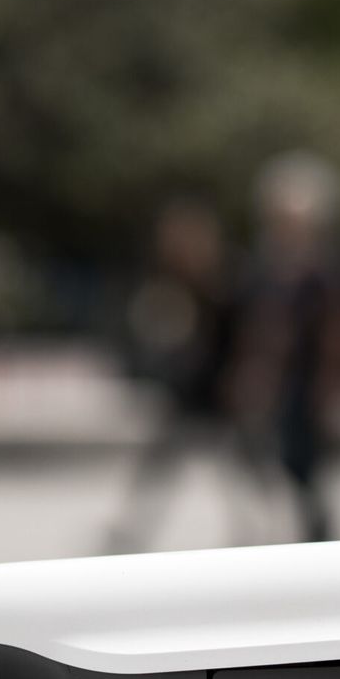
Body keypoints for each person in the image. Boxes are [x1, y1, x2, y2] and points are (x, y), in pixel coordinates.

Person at [233, 152, 340, 542]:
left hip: (311, 385)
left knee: (307, 470)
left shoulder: (333, 271)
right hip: (278, 383)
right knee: (256, 462)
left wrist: (338, 387)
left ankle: (318, 544)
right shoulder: (266, 267)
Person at [106, 198, 259, 552]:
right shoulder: (177, 282)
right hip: (190, 391)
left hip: (221, 391)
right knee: (163, 464)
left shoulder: (227, 282)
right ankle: (134, 529)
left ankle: (255, 529)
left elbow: (245, 337)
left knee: (241, 465)